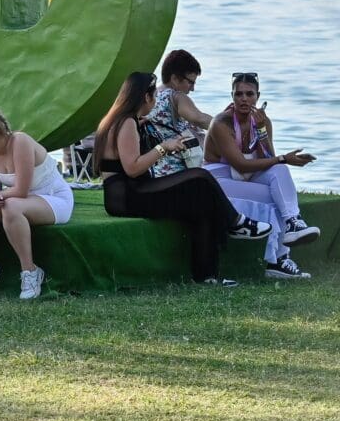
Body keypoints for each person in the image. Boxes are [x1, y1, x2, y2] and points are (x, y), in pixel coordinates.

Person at [96, 72, 270, 286]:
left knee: (201, 201)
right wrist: (163, 148)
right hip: (126, 195)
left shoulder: (127, 121)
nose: (156, 101)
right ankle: (235, 222)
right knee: (200, 177)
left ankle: (206, 276)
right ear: (146, 97)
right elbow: (132, 168)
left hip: (132, 190)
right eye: (154, 96)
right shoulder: (126, 123)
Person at [203, 72, 320, 280]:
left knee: (280, 171)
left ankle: (293, 221)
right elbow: (240, 163)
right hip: (219, 181)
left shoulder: (262, 121)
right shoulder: (221, 122)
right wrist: (284, 158)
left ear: (258, 96)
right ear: (232, 96)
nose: (244, 99)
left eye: (249, 94)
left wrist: (262, 131)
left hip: (246, 175)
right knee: (274, 193)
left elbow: (269, 159)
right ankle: (278, 260)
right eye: (239, 94)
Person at [0, 108, 75, 300]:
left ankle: (30, 271)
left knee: (10, 207)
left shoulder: (20, 142)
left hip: (53, 198)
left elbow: (21, 190)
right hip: (21, 200)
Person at [143, 49, 214, 178]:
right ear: (175, 78)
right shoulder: (176, 97)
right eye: (190, 82)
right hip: (177, 173)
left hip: (153, 172)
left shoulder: (151, 97)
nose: (192, 88)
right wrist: (231, 124)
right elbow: (201, 119)